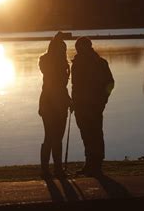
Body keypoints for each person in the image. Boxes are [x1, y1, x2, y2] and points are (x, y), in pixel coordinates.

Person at [71, 37, 114, 176]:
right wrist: (73, 102)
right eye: (77, 47)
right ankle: (90, 164)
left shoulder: (100, 63)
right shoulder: (76, 63)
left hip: (94, 106)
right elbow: (75, 86)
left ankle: (96, 165)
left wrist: (102, 100)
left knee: (95, 134)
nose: (78, 50)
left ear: (87, 47)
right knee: (86, 135)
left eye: (80, 47)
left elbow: (110, 82)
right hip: (80, 106)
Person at [38, 32, 71, 178]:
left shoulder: (62, 63)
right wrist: (56, 40)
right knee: (50, 137)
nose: (63, 51)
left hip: (60, 102)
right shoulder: (46, 61)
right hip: (49, 103)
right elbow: (53, 81)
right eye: (61, 49)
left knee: (57, 137)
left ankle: (57, 170)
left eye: (64, 49)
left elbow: (62, 87)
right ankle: (46, 170)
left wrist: (69, 100)